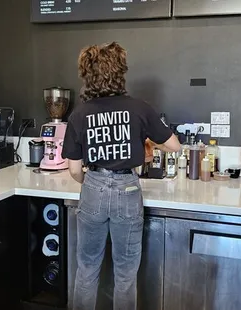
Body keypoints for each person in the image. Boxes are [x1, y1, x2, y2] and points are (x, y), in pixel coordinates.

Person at [62, 42, 181, 310]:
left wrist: (92, 183)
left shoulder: (79, 114)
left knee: (87, 268)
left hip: (93, 186)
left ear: (87, 75)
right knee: (125, 275)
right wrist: (148, 136)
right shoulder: (139, 108)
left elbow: (73, 169)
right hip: (128, 188)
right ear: (120, 73)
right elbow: (175, 145)